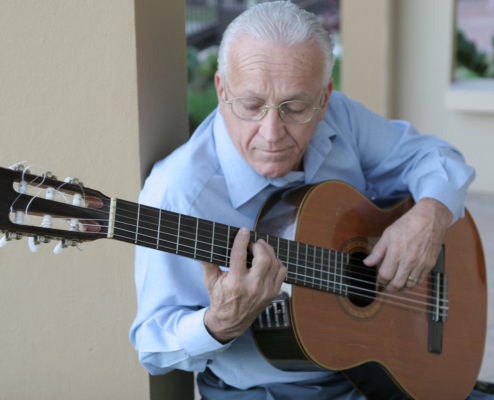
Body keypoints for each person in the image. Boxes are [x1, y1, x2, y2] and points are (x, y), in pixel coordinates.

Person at [129, 1, 475, 399]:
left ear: (324, 98)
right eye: (252, 106)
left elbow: (433, 157)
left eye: (294, 108)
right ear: (222, 90)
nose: (271, 133)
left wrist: (430, 215)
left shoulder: (340, 117)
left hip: (375, 369)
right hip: (269, 391)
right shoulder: (177, 192)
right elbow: (152, 346)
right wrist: (218, 323)